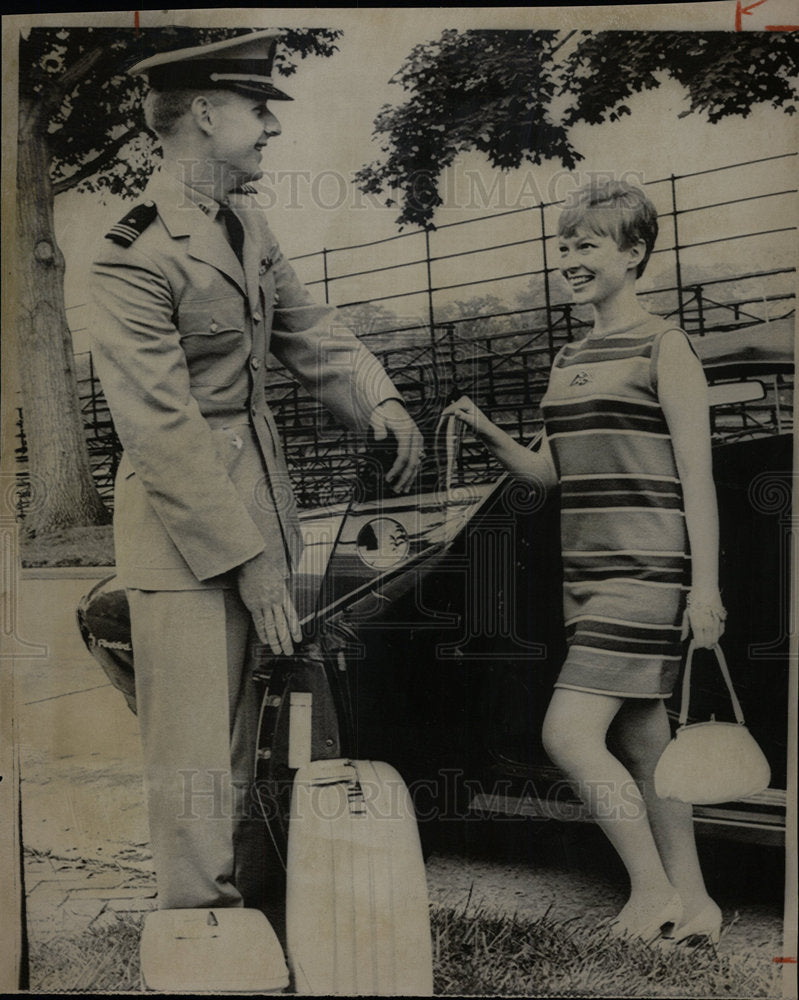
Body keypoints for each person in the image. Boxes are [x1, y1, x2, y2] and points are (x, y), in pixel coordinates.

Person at [88, 30, 423, 917]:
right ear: (204, 114)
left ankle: (266, 915)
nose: (271, 125)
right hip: (186, 533)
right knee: (197, 754)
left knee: (267, 731)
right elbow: (162, 431)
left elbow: (311, 331)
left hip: (261, 504)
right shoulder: (132, 251)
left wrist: (378, 400)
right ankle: (197, 929)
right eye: (257, 106)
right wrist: (250, 559)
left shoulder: (247, 221)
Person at [442, 179, 725, 946]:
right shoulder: (569, 354)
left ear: (633, 254)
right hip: (587, 575)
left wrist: (705, 588)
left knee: (567, 734)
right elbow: (549, 474)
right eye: (563, 246)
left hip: (646, 572)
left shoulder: (665, 346)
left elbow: (697, 477)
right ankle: (695, 904)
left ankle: (649, 895)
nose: (567, 259)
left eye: (586, 245)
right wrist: (487, 433)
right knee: (643, 744)